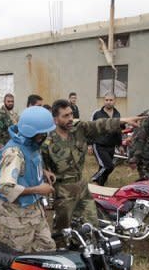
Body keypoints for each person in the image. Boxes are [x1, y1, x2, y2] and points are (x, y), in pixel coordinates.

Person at [42, 99, 142, 234]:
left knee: (91, 222)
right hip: (63, 189)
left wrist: (122, 120)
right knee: (62, 229)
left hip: (82, 186)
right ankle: (62, 251)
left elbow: (99, 124)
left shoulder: (79, 128)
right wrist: (44, 172)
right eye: (65, 116)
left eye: (71, 114)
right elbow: (37, 162)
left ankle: (89, 246)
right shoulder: (46, 140)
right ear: (55, 119)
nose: (71, 118)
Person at [0, 107, 56, 252]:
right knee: (21, 259)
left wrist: (42, 171)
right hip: (16, 216)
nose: (45, 137)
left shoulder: (29, 144)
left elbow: (28, 163)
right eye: (42, 134)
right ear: (33, 133)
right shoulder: (14, 153)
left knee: (47, 248)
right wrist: (39, 189)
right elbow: (5, 187)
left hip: (33, 211)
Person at [88, 93, 122, 185]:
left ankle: (100, 185)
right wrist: (89, 144)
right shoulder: (97, 113)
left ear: (115, 101)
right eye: (106, 100)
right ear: (104, 101)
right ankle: (94, 179)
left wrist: (120, 145)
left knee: (102, 166)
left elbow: (118, 130)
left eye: (111, 100)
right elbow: (91, 129)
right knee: (109, 166)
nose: (108, 102)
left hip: (111, 145)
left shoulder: (117, 114)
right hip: (99, 145)